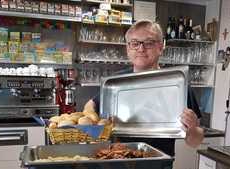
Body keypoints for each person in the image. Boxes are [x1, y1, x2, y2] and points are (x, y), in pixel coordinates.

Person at [86, 19, 204, 152]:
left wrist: (192, 129)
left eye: (148, 43)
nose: (141, 49)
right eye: (135, 43)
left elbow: (195, 142)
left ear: (160, 47)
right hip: (116, 161)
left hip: (158, 166)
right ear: (128, 48)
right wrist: (93, 119)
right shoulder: (117, 83)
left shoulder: (177, 84)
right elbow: (90, 105)